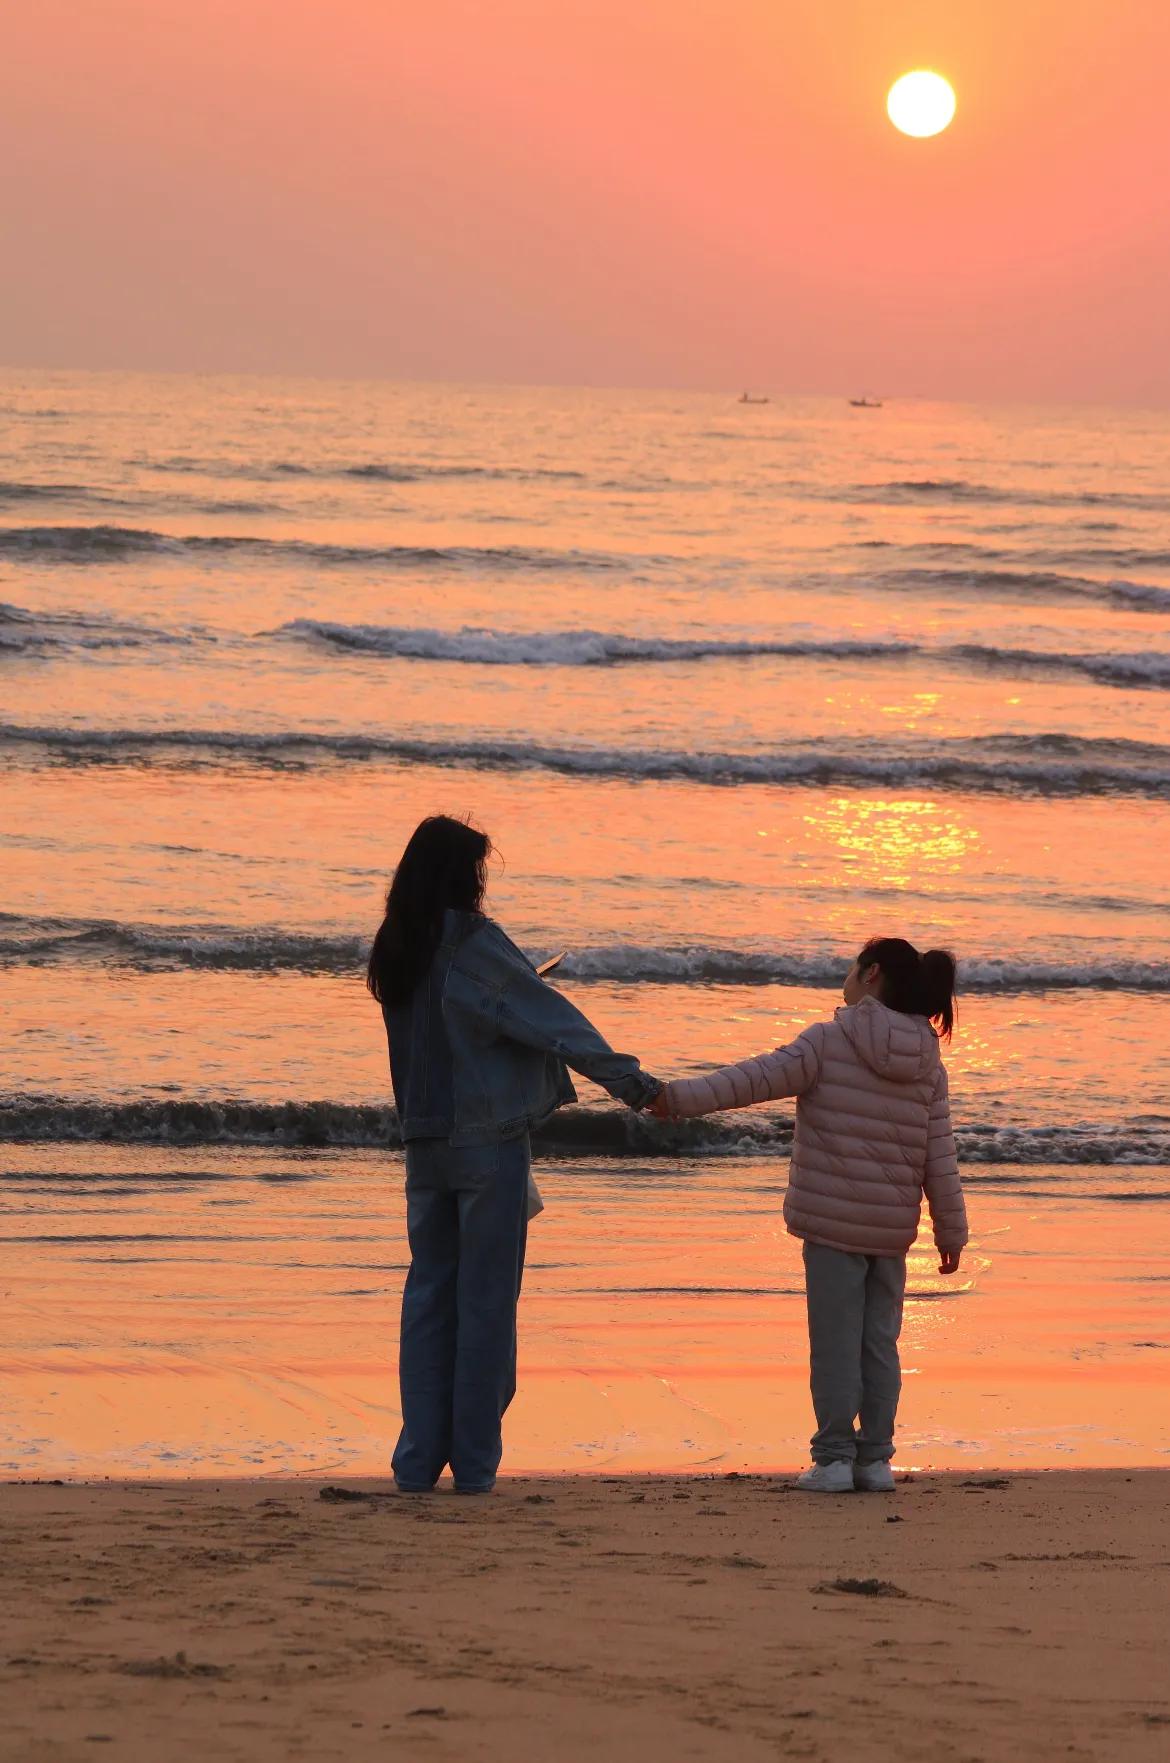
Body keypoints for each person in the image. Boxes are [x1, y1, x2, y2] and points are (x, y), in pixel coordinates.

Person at [369, 814, 660, 1495]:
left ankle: (417, 1460)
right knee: (487, 1308)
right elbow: (550, 1018)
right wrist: (632, 1082)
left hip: (424, 1143)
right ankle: (472, 1464)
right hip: (485, 1140)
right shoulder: (474, 944)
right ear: (460, 876)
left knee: (429, 1301)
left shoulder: (397, 946)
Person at [650, 938, 967, 1493]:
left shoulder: (828, 1041)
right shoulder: (926, 1062)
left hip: (830, 1226)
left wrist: (673, 1098)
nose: (845, 977)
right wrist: (951, 1230)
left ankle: (834, 1460)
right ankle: (875, 1462)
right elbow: (940, 1155)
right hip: (891, 1232)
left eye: (852, 968)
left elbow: (749, 1080)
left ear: (870, 976)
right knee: (878, 1345)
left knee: (836, 1344)